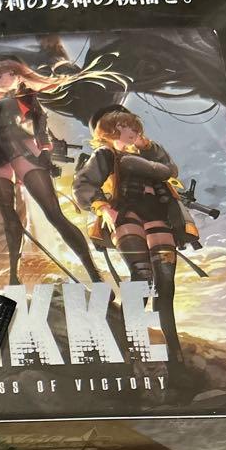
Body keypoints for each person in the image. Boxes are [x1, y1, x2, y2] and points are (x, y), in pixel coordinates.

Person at [0, 53, 127, 284]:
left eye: (3, 74)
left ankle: (94, 273)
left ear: (16, 74)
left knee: (54, 213)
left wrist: (45, 150)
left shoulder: (26, 97)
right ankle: (14, 276)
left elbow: (40, 125)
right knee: (8, 215)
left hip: (21, 147)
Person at [74, 105, 201, 393]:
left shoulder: (148, 155)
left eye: (134, 126)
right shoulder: (106, 155)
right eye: (126, 127)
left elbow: (170, 170)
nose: (133, 131)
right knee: (141, 278)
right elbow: (84, 183)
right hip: (126, 214)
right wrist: (103, 207)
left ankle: (176, 362)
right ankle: (125, 354)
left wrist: (148, 146)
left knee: (165, 286)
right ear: (111, 130)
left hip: (159, 215)